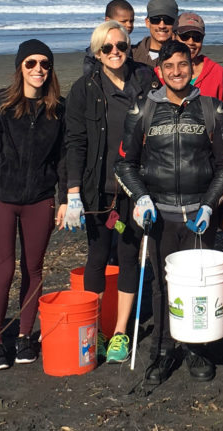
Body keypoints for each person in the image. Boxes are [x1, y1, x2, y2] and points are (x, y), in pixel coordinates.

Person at [115, 40, 223, 385]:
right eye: (170, 67)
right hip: (160, 217)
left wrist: (210, 205)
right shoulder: (143, 111)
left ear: (192, 68)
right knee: (163, 287)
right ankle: (164, 350)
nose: (177, 72)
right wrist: (142, 199)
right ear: (160, 71)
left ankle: (197, 349)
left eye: (183, 65)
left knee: (197, 287)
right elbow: (125, 165)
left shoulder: (213, 109)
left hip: (199, 216)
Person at [65, 20, 158, 364]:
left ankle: (120, 332)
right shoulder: (84, 89)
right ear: (96, 52)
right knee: (97, 259)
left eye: (121, 46)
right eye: (107, 48)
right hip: (98, 193)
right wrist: (72, 192)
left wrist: (149, 188)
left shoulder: (146, 79)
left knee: (131, 257)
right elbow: (74, 142)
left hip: (136, 189)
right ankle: (95, 329)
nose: (115, 53)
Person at [0, 39, 67, 371]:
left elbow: (64, 159)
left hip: (40, 200)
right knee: (3, 272)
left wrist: (66, 199)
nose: (38, 69)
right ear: (20, 68)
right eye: (31, 63)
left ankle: (25, 336)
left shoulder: (58, 109)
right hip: (1, 200)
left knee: (33, 269)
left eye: (44, 64)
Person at [171, 11, 223, 110]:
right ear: (174, 37)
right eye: (185, 36)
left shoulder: (215, 71)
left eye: (197, 38)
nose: (191, 42)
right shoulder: (161, 72)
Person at [83, 0, 136, 76]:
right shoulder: (96, 50)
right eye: (123, 21)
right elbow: (88, 73)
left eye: (131, 21)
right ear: (108, 21)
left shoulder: (131, 47)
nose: (129, 25)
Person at [132, 0, 179, 66]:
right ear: (147, 22)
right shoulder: (132, 54)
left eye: (168, 20)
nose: (162, 26)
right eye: (155, 20)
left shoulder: (183, 54)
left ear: (176, 23)